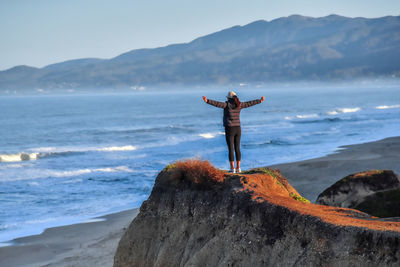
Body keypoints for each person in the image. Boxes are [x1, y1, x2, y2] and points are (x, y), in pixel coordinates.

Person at [203, 91, 265, 173]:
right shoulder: (239, 105)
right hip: (238, 128)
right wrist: (259, 101)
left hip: (230, 129)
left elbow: (217, 104)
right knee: (237, 148)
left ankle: (232, 169)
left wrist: (207, 101)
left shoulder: (226, 105)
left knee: (231, 149)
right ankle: (238, 168)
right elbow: (250, 103)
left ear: (228, 98)